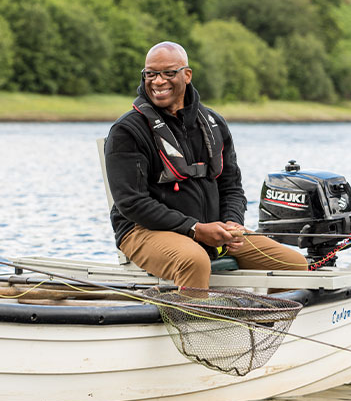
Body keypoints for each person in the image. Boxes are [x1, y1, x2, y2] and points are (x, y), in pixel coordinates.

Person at [104, 42, 308, 289]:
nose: (158, 81)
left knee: (293, 264)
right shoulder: (127, 130)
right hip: (141, 231)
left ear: (187, 75)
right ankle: (195, 326)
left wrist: (232, 223)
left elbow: (231, 187)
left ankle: (266, 324)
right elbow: (131, 203)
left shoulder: (214, 123)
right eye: (151, 74)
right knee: (194, 260)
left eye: (168, 73)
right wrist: (194, 229)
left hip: (210, 228)